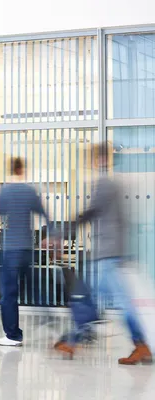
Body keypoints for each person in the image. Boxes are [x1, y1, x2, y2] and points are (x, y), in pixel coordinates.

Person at [54, 144, 152, 365]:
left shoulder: (105, 183)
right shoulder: (113, 184)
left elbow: (91, 212)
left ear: (98, 160)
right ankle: (73, 341)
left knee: (110, 302)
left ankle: (140, 344)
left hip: (107, 255)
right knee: (92, 298)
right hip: (110, 253)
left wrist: (62, 232)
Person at [0, 158, 53, 346]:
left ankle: (12, 335)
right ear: (22, 170)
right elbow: (45, 215)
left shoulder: (5, 190)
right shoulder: (29, 191)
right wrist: (48, 237)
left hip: (11, 249)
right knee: (32, 287)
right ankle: (48, 318)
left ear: (10, 169)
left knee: (9, 293)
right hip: (27, 248)